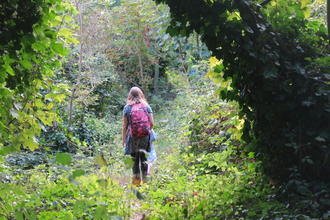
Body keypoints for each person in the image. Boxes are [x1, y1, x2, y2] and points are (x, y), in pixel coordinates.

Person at [122, 87, 154, 184]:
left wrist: (123, 140)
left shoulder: (127, 108)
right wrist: (147, 131)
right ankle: (145, 182)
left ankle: (136, 183)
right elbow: (152, 123)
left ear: (130, 95)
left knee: (134, 160)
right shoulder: (146, 106)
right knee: (144, 159)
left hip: (132, 137)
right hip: (145, 137)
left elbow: (124, 126)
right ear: (140, 94)